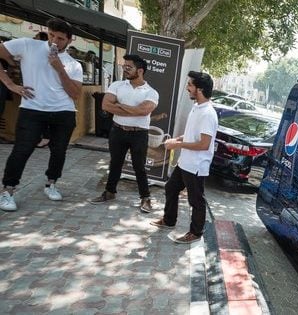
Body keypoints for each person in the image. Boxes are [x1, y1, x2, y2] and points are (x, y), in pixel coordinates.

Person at [0, 18, 83, 212]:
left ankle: (51, 183)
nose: (54, 41)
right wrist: (10, 85)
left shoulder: (74, 65)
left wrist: (59, 68)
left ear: (69, 40)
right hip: (32, 109)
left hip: (63, 111)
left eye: (61, 38)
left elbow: (76, 94)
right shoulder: (28, 45)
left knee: (59, 151)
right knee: (22, 150)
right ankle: (8, 191)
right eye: (52, 35)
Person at [150, 71, 218, 244]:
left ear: (200, 89)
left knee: (196, 201)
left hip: (196, 165)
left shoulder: (208, 114)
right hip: (185, 163)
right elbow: (191, 135)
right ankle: (169, 220)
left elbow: (203, 144)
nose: (187, 88)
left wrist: (177, 145)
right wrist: (177, 139)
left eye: (190, 85)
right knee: (171, 188)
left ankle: (195, 232)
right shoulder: (197, 107)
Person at [88, 55, 159, 212]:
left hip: (139, 134)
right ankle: (109, 192)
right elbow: (106, 105)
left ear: (140, 71)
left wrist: (119, 106)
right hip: (118, 130)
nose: (125, 69)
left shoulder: (151, 92)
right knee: (115, 163)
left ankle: (145, 198)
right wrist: (133, 110)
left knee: (139, 166)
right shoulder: (117, 85)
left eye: (129, 67)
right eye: (124, 66)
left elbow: (143, 111)